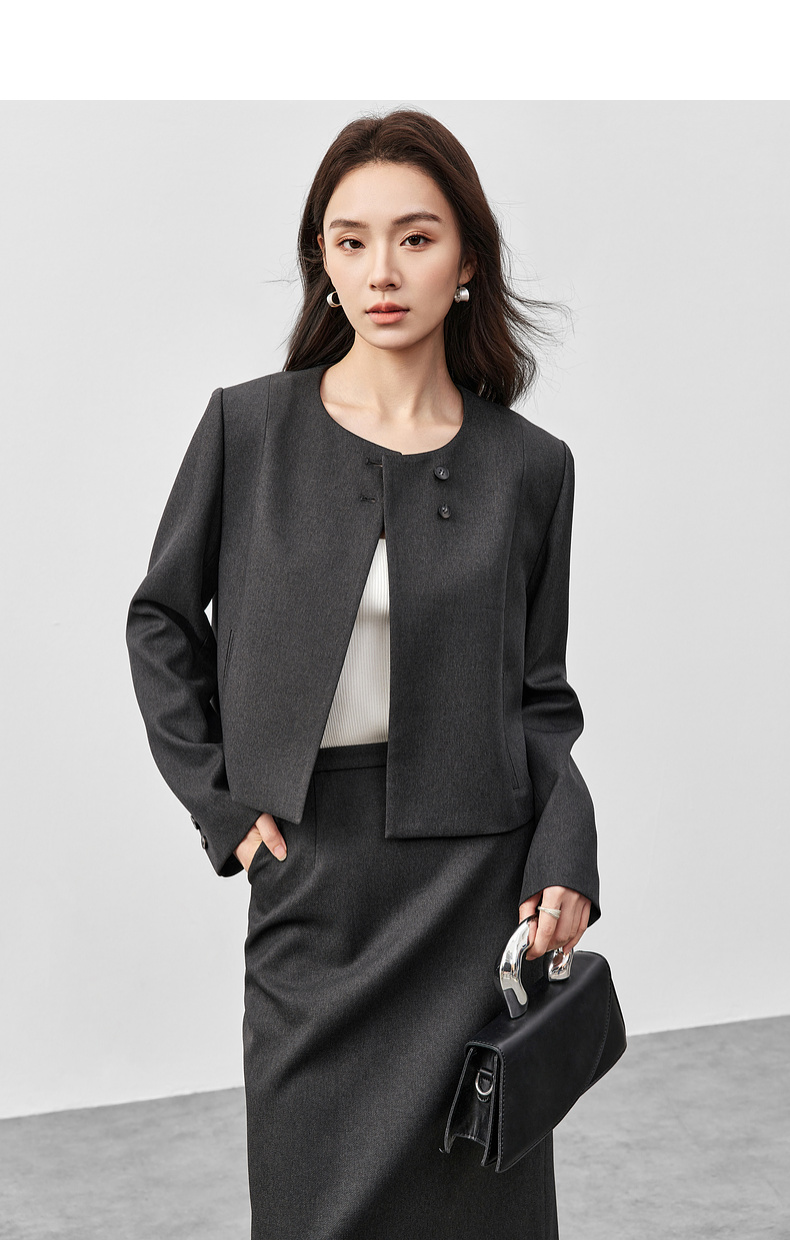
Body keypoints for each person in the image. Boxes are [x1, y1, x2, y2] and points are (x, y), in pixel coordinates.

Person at [126, 107, 600, 1240]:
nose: (381, 271)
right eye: (351, 241)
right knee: (311, 1201)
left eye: (415, 238)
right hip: (313, 875)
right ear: (324, 262)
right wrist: (225, 808)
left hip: (473, 887)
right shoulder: (249, 429)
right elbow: (160, 622)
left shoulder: (530, 468)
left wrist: (566, 853)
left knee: (479, 1204)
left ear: (467, 260)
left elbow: (541, 697)